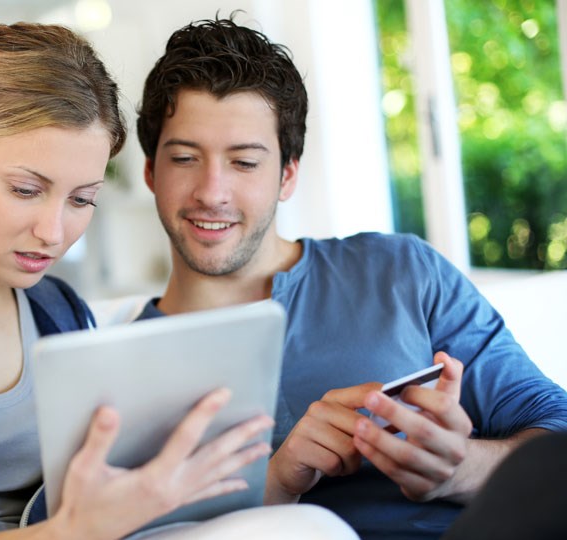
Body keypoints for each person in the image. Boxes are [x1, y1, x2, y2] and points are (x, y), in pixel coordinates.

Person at [0, 22, 360, 540]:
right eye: (26, 189)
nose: (53, 232)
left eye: (82, 199)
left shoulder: (59, 308)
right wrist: (77, 530)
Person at [133, 15, 567, 539]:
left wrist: (457, 468)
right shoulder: (122, 359)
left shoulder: (401, 271)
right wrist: (274, 482)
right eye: (184, 158)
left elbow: (556, 437)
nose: (212, 192)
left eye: (245, 162)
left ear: (287, 175)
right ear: (151, 172)